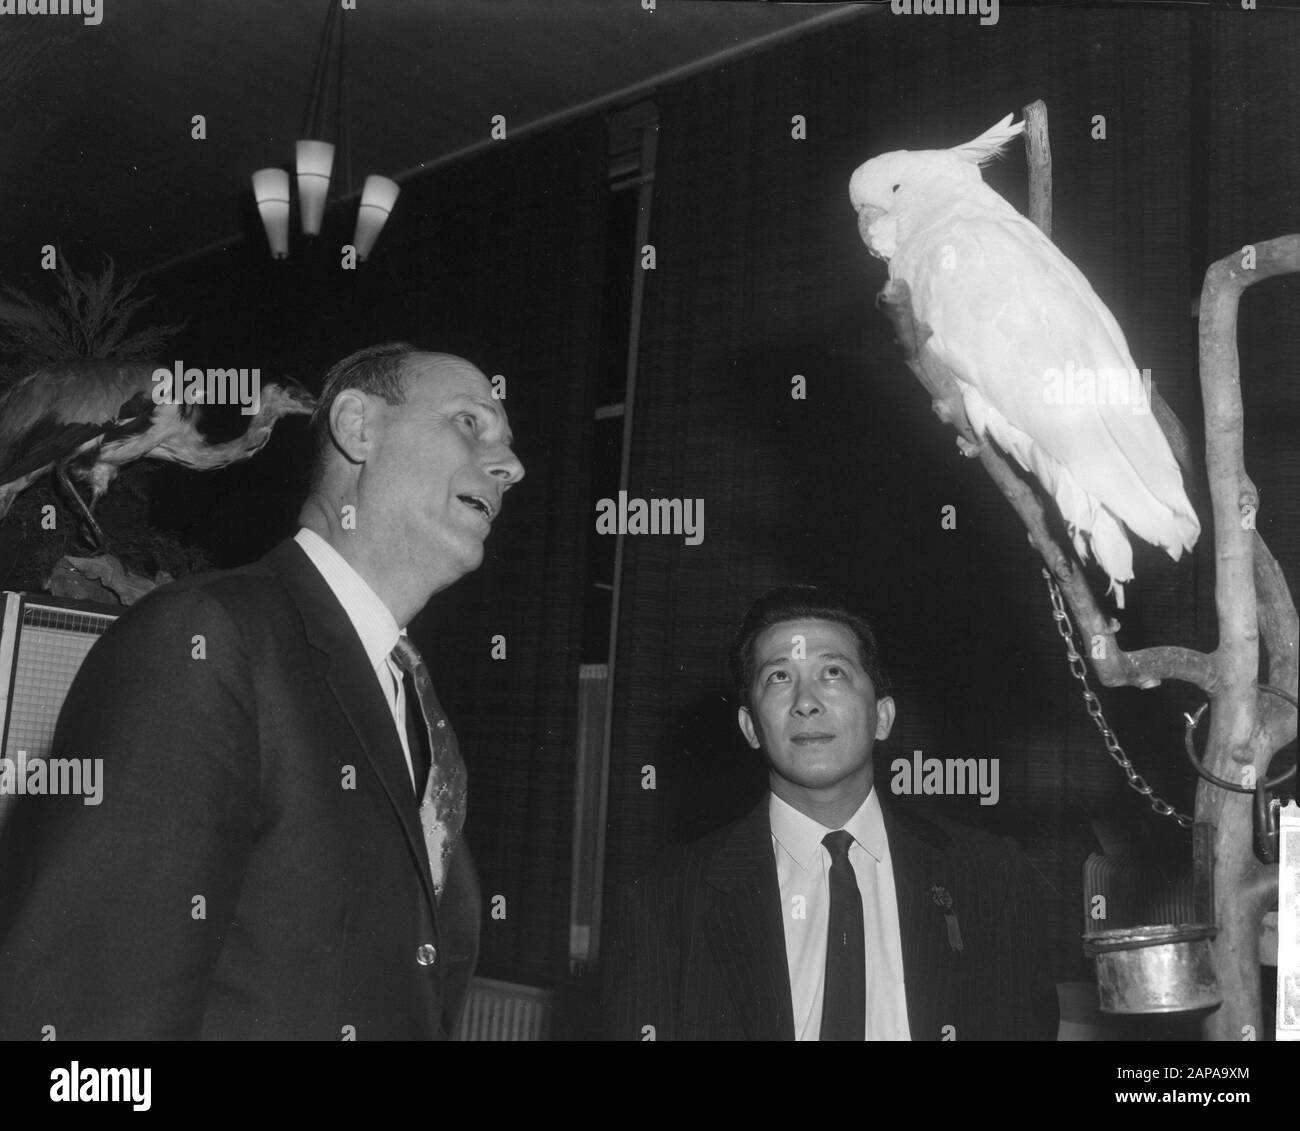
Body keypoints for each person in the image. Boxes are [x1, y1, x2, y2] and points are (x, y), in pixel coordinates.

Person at [0, 342, 524, 1040]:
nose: (511, 465)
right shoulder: (207, 640)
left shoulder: (411, 704)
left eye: (508, 443)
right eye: (470, 421)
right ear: (358, 427)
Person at [603, 585, 1058, 1041]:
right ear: (750, 727)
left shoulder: (990, 876)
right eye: (779, 677)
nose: (806, 702)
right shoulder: (662, 902)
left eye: (833, 672)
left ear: (882, 717)